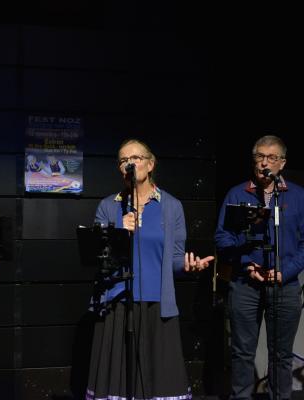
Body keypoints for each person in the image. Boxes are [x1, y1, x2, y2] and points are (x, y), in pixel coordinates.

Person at [85, 139, 214, 400]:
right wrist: (118, 232)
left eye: (135, 158)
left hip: (158, 305)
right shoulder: (108, 206)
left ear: (150, 164)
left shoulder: (171, 206)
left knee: (158, 383)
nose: (129, 164)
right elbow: (99, 259)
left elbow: (175, 259)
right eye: (123, 160)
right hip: (118, 302)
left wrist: (190, 266)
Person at [215, 135, 304, 399]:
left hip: (284, 285)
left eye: (271, 157)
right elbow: (223, 238)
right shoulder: (237, 193)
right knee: (242, 352)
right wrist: (245, 263)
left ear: (282, 163)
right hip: (245, 283)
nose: (264, 162)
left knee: (281, 355)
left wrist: (284, 271)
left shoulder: (298, 196)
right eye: (259, 157)